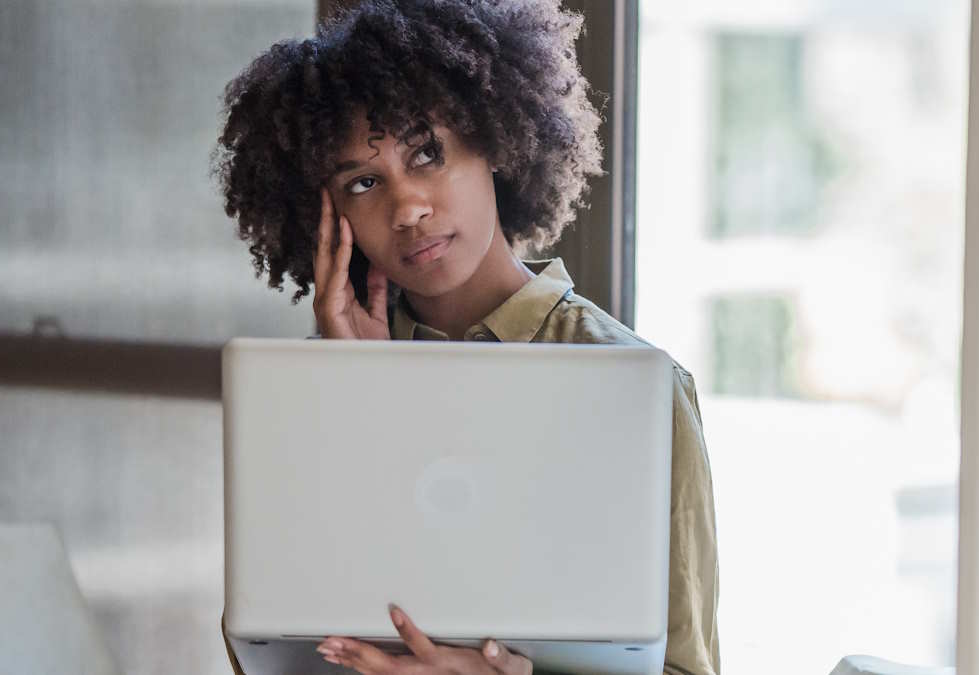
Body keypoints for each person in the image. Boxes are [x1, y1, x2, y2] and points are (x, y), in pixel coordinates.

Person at [211, 1, 720, 673]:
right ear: (331, 219)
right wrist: (355, 398)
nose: (408, 207)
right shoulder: (303, 391)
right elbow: (269, 644)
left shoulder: (639, 390)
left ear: (496, 141)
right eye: (364, 183)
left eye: (427, 152)